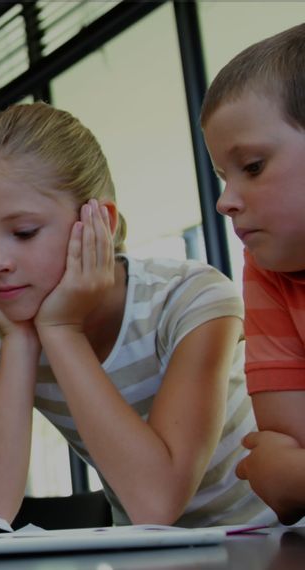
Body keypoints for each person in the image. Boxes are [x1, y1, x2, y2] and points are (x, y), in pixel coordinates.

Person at [0, 101, 273, 527]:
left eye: (23, 233)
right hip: (145, 556)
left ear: (98, 221)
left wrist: (61, 331)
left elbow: (156, 503)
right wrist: (21, 342)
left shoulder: (191, 298)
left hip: (275, 538)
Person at [201, 23, 305, 525]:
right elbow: (278, 466)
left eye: (254, 166)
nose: (226, 201)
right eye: (224, 176)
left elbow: (294, 474)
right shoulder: (266, 268)